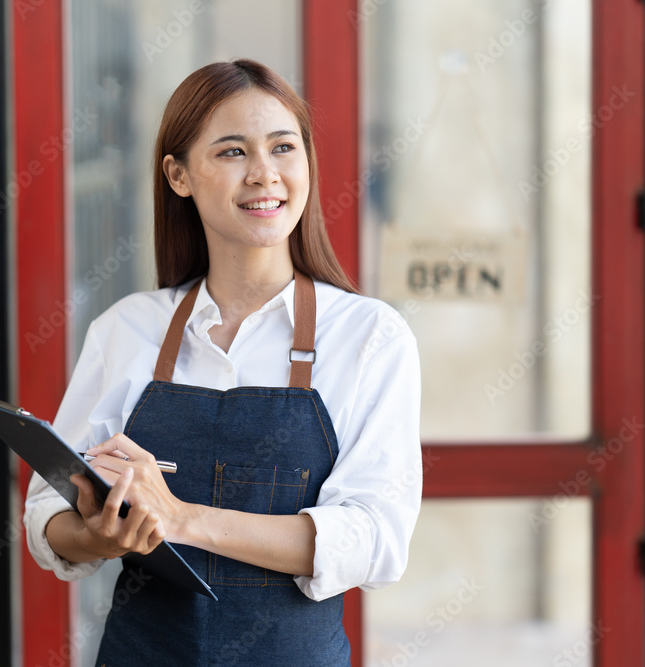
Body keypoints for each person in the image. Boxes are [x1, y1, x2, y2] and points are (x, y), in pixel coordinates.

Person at [23, 59, 422, 665]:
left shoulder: (369, 337)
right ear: (178, 175)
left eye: (283, 147)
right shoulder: (128, 330)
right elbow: (46, 509)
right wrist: (96, 534)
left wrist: (180, 519)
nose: (265, 174)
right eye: (233, 152)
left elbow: (373, 538)